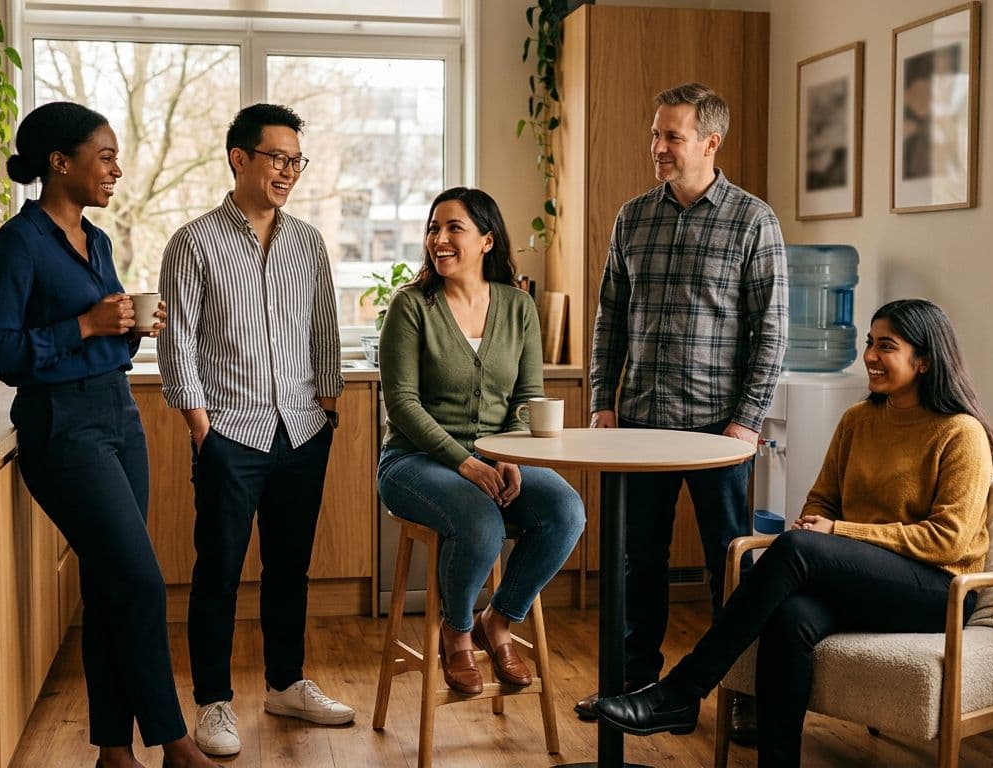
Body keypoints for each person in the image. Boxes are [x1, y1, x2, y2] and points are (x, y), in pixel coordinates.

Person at [593, 299, 993, 768]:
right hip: (870, 579)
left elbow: (947, 540)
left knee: (797, 548)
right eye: (870, 343)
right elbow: (822, 500)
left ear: (924, 360)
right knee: (792, 617)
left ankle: (681, 691)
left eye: (887, 346)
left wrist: (836, 533)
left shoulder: (960, 432)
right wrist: (821, 525)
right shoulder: (859, 420)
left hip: (939, 590)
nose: (870, 356)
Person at [0, 101, 215, 768]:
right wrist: (82, 328)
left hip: (117, 415)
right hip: (61, 427)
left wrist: (131, 325)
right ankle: (174, 741)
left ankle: (114, 751)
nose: (115, 169)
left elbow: (98, 322)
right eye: (103, 156)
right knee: (139, 582)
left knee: (111, 583)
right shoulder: (17, 245)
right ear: (60, 162)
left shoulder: (97, 241)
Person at [577, 82, 788, 736]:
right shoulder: (632, 217)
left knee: (732, 564)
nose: (658, 147)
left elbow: (772, 331)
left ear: (709, 142)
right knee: (640, 560)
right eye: (655, 133)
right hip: (639, 424)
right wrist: (602, 402)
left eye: (671, 136)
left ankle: (745, 696)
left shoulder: (754, 221)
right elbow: (611, 314)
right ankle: (636, 686)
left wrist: (746, 422)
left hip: (718, 432)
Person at [157, 103, 354, 758]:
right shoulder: (193, 242)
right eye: (278, 157)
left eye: (296, 160)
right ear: (239, 159)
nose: (289, 171)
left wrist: (326, 410)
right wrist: (199, 425)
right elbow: (177, 341)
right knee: (218, 572)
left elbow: (325, 329)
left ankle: (285, 683)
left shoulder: (308, 243)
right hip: (230, 434)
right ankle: (213, 702)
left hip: (301, 429)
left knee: (289, 568)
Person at [376, 187, 585, 695]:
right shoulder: (411, 306)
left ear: (487, 240)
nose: (438, 239)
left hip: (495, 457)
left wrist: (509, 455)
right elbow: (402, 404)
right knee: (479, 518)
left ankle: (500, 619)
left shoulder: (518, 307)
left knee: (565, 510)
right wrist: (467, 464)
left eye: (454, 229)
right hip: (413, 461)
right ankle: (458, 630)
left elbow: (527, 396)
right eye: (433, 228)